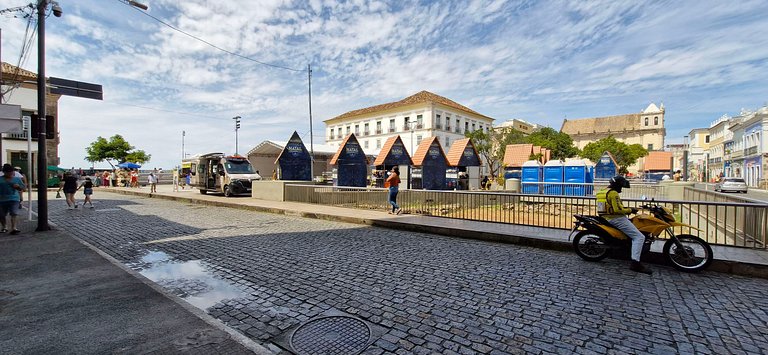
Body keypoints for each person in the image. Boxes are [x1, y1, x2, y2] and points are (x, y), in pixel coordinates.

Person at [596, 175, 652, 274]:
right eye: (621, 186)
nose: (621, 188)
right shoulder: (613, 193)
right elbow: (618, 209)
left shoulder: (602, 191)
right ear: (617, 185)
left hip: (605, 217)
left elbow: (609, 207)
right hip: (616, 218)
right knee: (639, 237)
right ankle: (635, 263)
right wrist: (631, 210)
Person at [0, 164, 25, 234]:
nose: (10, 174)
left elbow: (23, 188)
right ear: (4, 172)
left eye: (11, 172)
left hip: (14, 198)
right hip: (2, 199)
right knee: (2, 214)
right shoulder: (0, 179)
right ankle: (4, 227)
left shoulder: (17, 179)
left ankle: (14, 228)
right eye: (8, 172)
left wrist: (18, 187)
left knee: (14, 213)